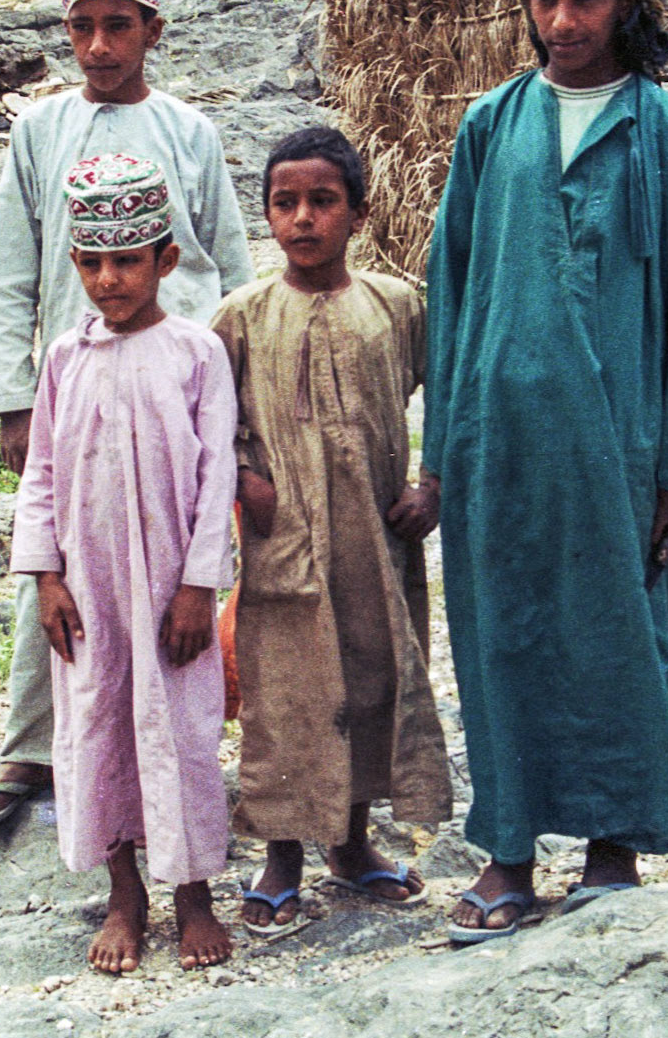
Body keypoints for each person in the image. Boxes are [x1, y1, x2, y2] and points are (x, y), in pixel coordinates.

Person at [423, 0, 668, 942]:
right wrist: (442, 449)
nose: (563, 18)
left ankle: (613, 849)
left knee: (619, 632)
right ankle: (509, 855)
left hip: (621, 443)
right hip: (499, 438)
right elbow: (455, 288)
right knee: (503, 632)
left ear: (625, 2)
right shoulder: (491, 125)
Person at [0, 0, 254, 827]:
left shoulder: (190, 131)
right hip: (73, 383)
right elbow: (10, 273)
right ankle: (30, 748)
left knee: (182, 569)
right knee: (54, 569)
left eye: (116, 26)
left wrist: (241, 404)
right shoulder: (38, 133)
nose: (96, 46)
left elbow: (230, 270)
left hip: (179, 385)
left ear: (152, 29)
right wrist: (13, 399)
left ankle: (181, 749)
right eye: (80, 27)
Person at [211, 126, 452, 937]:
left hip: (376, 545)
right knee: (282, 694)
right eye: (285, 203)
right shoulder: (242, 316)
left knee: (369, 679)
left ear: (358, 211)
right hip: (282, 546)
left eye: (322, 201)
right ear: (267, 215)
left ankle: (350, 846)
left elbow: (451, 398)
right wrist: (242, 477)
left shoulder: (396, 304)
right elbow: (204, 422)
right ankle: (280, 855)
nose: (302, 219)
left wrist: (433, 484)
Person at [12, 152, 237, 973]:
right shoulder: (65, 359)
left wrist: (197, 585)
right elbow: (40, 470)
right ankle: (124, 890)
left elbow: (216, 479)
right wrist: (44, 574)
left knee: (178, 728)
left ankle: (192, 892)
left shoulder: (197, 353)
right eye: (94, 263)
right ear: (75, 262)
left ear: (164, 260)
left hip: (171, 586)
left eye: (128, 261)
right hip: (88, 587)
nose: (110, 280)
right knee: (97, 723)